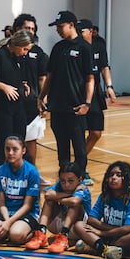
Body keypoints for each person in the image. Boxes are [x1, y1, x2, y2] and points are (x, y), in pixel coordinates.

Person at [40, 10, 94, 179]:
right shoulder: (58, 48)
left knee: (79, 147)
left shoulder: (84, 48)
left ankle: (80, 178)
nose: (57, 30)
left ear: (71, 25)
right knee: (62, 147)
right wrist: (41, 97)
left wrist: (87, 103)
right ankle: (64, 178)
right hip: (57, 107)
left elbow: (90, 78)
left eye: (60, 26)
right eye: (56, 27)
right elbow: (50, 76)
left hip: (76, 107)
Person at [0, 29, 36, 180]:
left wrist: (23, 85)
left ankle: (15, 180)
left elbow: (15, 76)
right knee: (4, 149)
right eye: (24, 49)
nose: (25, 53)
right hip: (3, 109)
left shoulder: (19, 57)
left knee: (19, 147)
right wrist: (3, 86)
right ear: (18, 44)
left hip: (19, 109)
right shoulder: (0, 55)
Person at [69, 161, 130, 259]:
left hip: (125, 237)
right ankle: (106, 250)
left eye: (118, 175)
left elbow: (128, 228)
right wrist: (105, 231)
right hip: (108, 236)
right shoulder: (105, 196)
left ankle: (98, 247)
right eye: (111, 175)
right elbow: (91, 219)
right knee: (79, 225)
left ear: (127, 179)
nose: (113, 178)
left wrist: (102, 232)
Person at [11, 14, 50, 181]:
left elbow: (43, 78)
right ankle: (12, 178)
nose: (30, 31)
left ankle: (33, 177)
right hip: (12, 104)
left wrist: (43, 99)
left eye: (33, 29)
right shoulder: (7, 51)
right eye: (27, 28)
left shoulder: (38, 52)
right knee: (12, 145)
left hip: (32, 105)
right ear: (18, 29)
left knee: (31, 147)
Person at [24, 162, 91, 254]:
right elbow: (47, 195)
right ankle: (41, 233)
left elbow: (74, 201)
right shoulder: (60, 185)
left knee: (75, 204)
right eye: (63, 181)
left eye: (70, 181)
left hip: (79, 227)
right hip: (61, 221)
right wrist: (69, 195)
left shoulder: (83, 188)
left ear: (79, 179)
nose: (66, 185)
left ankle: (64, 236)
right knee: (49, 200)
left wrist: (58, 198)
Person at [0, 135, 41, 247]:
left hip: (27, 213)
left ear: (23, 150)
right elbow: (1, 202)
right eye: (7, 149)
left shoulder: (32, 172)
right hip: (7, 213)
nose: (10, 153)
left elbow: (27, 205)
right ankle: (9, 230)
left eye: (15, 149)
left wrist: (8, 223)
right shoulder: (0, 170)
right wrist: (7, 221)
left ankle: (34, 232)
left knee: (16, 235)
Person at [79, 19, 113, 158]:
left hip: (96, 93)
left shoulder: (99, 46)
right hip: (80, 92)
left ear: (91, 31)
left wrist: (109, 86)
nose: (79, 34)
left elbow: (104, 67)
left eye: (82, 31)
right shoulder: (77, 48)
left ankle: (81, 159)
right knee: (79, 131)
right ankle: (81, 166)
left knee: (96, 132)